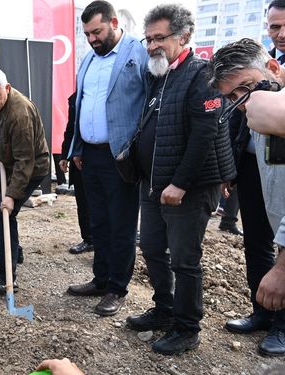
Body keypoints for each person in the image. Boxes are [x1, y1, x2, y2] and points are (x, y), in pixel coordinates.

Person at [125, 4, 235, 356]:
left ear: (184, 36)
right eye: (148, 39)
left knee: (184, 259)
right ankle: (164, 309)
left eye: (160, 38)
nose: (152, 45)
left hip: (187, 188)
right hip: (155, 185)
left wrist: (181, 184)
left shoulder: (201, 74)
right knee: (153, 248)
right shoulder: (158, 76)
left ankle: (187, 327)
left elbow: (205, 135)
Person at [66, 0, 146, 317]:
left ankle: (116, 288)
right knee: (98, 222)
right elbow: (80, 105)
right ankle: (100, 279)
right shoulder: (88, 60)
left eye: (97, 31)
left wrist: (138, 151)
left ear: (114, 23)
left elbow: (149, 107)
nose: (92, 39)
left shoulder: (137, 54)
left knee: (121, 225)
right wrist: (76, 148)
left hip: (121, 157)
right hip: (91, 156)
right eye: (87, 33)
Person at [207, 37, 285, 356]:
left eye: (245, 88)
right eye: (233, 97)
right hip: (254, 171)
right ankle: (263, 312)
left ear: (272, 67)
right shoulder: (255, 104)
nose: (243, 102)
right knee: (256, 242)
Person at [0, 68, 50, 295]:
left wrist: (11, 196)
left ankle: (6, 276)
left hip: (29, 168)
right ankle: (12, 251)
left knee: (4, 212)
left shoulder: (20, 114)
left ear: (6, 89)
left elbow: (25, 161)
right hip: (11, 164)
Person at [59, 91, 93, 254]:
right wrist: (65, 154)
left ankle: (103, 242)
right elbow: (70, 127)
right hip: (78, 157)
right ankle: (88, 239)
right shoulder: (76, 97)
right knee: (82, 201)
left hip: (102, 157)